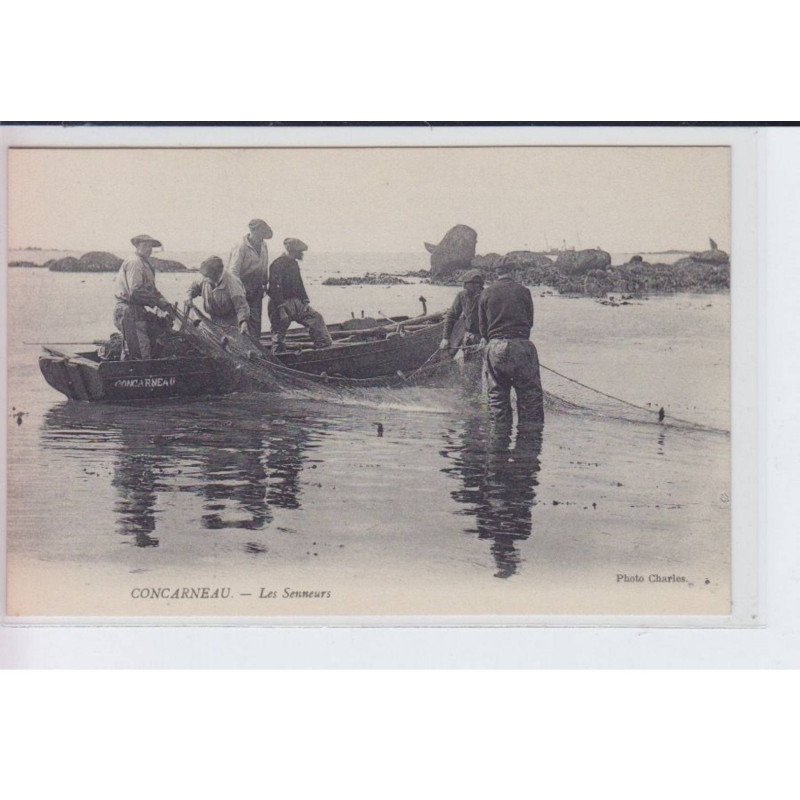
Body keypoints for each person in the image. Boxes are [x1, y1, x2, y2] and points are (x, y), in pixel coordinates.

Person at [478, 257, 544, 428]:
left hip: (495, 348)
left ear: (496, 273)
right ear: (513, 272)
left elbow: (482, 327)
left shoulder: (486, 293)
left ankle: (499, 440)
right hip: (521, 346)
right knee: (530, 400)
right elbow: (529, 321)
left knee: (497, 399)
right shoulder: (524, 291)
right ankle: (531, 440)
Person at [113, 234, 174, 360]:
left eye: (151, 247)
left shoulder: (144, 263)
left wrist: (165, 303)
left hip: (136, 311)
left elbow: (152, 290)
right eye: (145, 246)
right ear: (137, 246)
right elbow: (135, 292)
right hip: (129, 311)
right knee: (141, 351)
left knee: (136, 347)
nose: (149, 249)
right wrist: (156, 302)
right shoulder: (135, 262)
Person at [267, 238, 332, 353]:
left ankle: (322, 348)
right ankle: (278, 357)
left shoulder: (294, 263)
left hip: (297, 302)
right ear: (292, 251)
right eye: (299, 251)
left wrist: (305, 301)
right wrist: (282, 310)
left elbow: (299, 284)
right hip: (279, 304)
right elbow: (275, 289)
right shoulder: (277, 264)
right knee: (279, 337)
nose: (302, 254)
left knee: (316, 318)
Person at [228, 218, 273, 338]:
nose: (262, 238)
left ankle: (255, 344)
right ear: (254, 231)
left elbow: (264, 264)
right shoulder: (241, 246)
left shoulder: (264, 245)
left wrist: (265, 282)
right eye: (261, 233)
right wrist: (238, 291)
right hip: (242, 288)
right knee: (242, 319)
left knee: (255, 321)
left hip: (257, 288)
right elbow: (233, 272)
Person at [187, 256, 250, 335]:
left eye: (208, 276)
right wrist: (189, 297)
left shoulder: (232, 282)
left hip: (231, 322)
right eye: (205, 276)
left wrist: (243, 322)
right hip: (213, 319)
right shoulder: (205, 278)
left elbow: (241, 306)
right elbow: (193, 288)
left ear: (216, 274)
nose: (205, 279)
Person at [440, 269, 484, 351]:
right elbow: (451, 315)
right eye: (471, 284)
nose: (476, 286)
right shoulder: (462, 296)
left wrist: (485, 337)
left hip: (483, 337)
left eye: (477, 283)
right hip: (469, 335)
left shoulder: (486, 296)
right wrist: (446, 338)